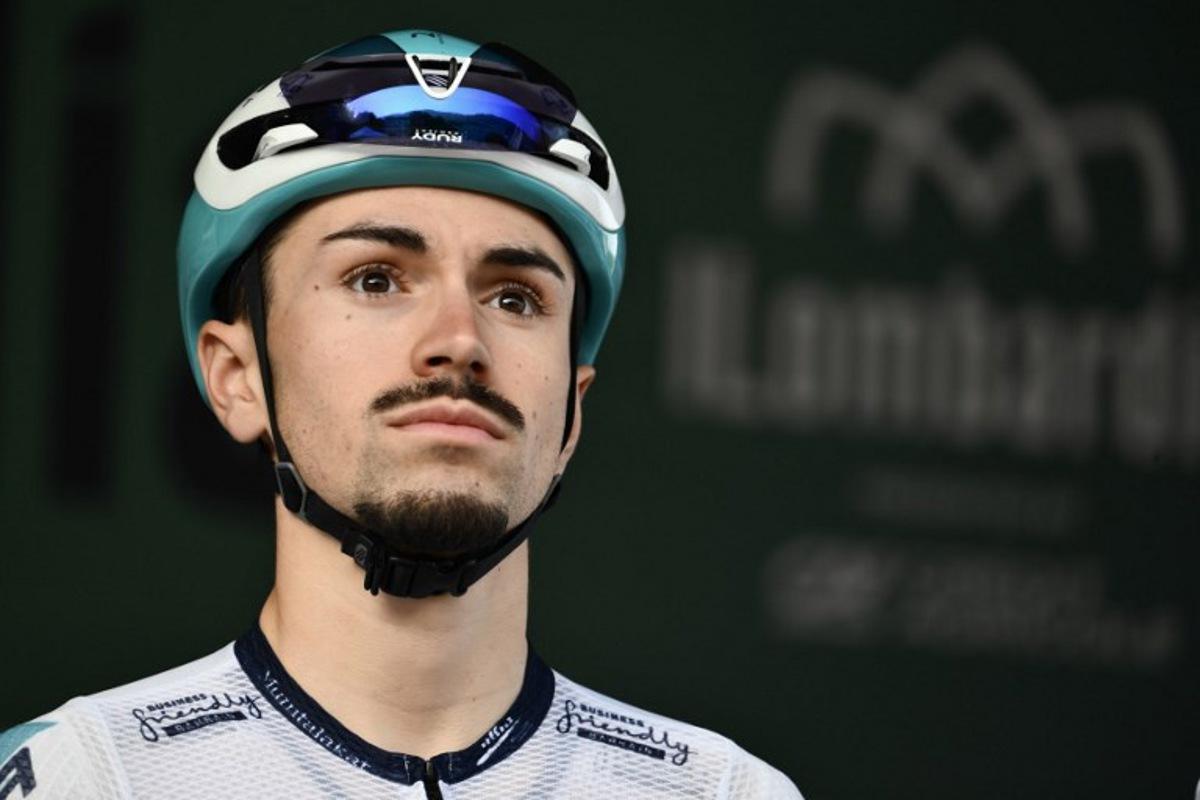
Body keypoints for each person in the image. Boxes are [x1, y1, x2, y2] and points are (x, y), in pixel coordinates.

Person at [0, 29, 802, 799]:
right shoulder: (88, 778)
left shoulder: (724, 792)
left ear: (572, 413)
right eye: (376, 280)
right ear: (238, 376)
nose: (459, 341)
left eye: (515, 297)